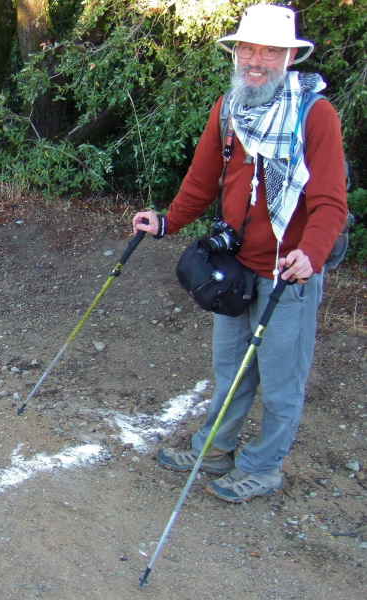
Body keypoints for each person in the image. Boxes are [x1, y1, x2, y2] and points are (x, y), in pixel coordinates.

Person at [132, 4, 348, 503]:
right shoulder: (229, 107)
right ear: (237, 54)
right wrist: (167, 222)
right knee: (230, 369)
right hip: (233, 268)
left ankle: (264, 466)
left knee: (280, 382)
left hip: (288, 273)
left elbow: (331, 203)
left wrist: (310, 255)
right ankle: (214, 449)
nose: (256, 59)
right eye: (248, 48)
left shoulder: (316, 115)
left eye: (269, 50)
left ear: (288, 57)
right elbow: (203, 179)